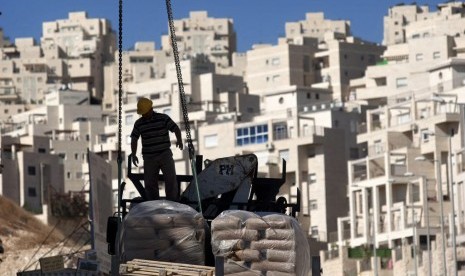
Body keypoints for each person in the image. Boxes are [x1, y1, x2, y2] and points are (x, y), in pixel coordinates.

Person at [130, 97, 183, 201]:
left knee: (170, 179)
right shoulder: (139, 123)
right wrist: (133, 153)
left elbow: (175, 128)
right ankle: (153, 203)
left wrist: (179, 140)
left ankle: (172, 202)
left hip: (165, 154)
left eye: (145, 112)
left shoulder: (163, 118)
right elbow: (134, 138)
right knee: (150, 183)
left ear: (151, 109)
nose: (144, 115)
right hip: (149, 157)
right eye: (142, 113)